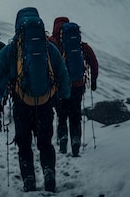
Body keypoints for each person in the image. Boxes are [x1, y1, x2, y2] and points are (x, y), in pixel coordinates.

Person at [0, 7, 70, 192]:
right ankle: (49, 173)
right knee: (45, 144)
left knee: (24, 145)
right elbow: (62, 73)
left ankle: (29, 179)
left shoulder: (11, 49)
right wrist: (64, 98)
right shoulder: (49, 48)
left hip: (21, 104)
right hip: (45, 103)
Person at [48, 16, 99, 157]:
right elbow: (93, 61)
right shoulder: (80, 45)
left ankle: (63, 138)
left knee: (62, 115)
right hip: (77, 85)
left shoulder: (51, 43)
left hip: (59, 87)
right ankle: (75, 140)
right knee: (75, 115)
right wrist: (93, 80)